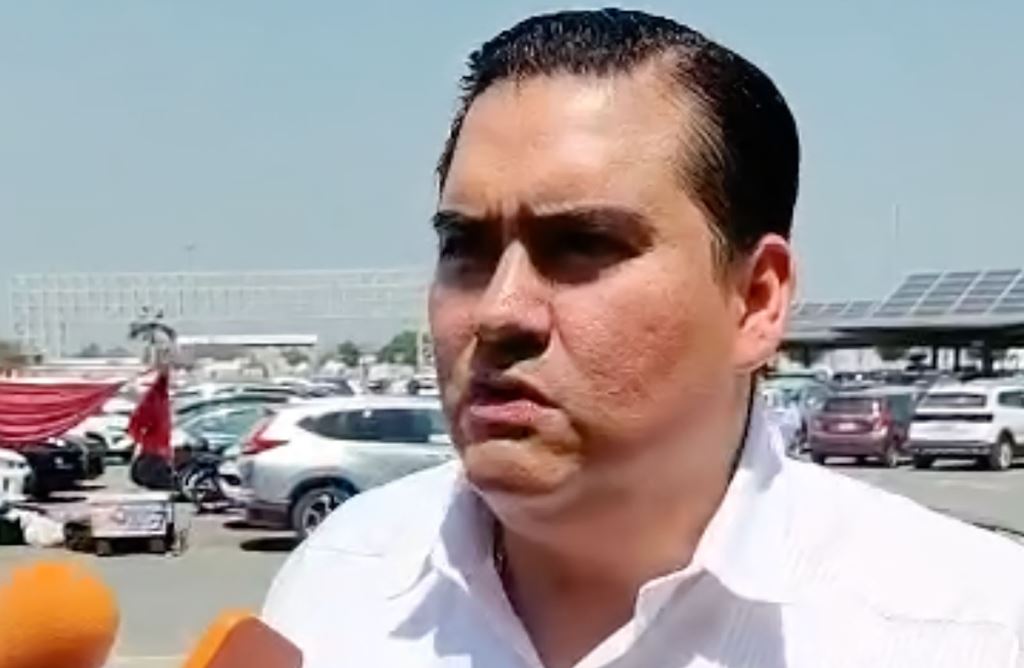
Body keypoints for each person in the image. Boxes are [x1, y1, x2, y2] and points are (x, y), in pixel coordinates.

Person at [263, 9, 1024, 667]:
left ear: (756, 302)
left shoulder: (968, 630)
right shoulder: (343, 578)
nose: (500, 312)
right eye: (465, 247)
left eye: (583, 245)